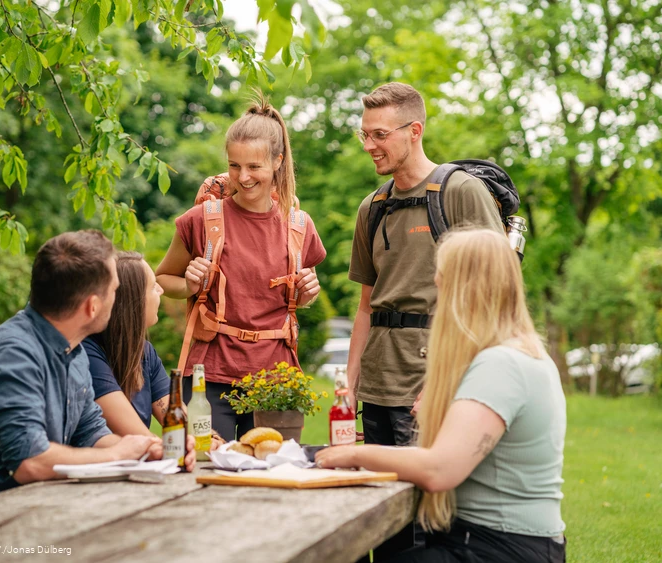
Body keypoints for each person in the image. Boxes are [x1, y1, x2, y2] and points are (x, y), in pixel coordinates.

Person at [317, 228, 567, 563]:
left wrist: (348, 455)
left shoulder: (502, 364)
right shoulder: (516, 353)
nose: (436, 297)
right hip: (495, 542)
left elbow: (439, 470)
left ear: (465, 291)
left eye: (442, 284)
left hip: (498, 547)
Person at [346, 82, 505, 556]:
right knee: (380, 522)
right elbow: (366, 305)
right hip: (378, 385)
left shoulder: (461, 192)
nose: (369, 145)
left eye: (379, 135)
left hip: (432, 384)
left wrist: (448, 381)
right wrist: (349, 382)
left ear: (414, 131)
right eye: (364, 134)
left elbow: (493, 296)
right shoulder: (372, 207)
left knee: (429, 526)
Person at [0, 230, 167, 510]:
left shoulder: (74, 351)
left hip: (29, 509)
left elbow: (91, 433)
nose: (119, 300)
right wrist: (117, 455)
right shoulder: (13, 353)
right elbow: (30, 461)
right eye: (114, 290)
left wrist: (146, 451)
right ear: (92, 306)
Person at [156, 93, 327, 442]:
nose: (243, 177)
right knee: (205, 465)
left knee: (272, 469)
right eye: (234, 166)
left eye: (254, 167)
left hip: (275, 378)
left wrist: (308, 293)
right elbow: (162, 278)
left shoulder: (299, 226)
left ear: (278, 161)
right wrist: (188, 285)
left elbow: (298, 297)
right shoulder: (202, 220)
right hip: (209, 374)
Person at [82, 251, 224, 449]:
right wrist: (193, 443)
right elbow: (137, 435)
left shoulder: (144, 352)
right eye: (152, 286)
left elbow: (177, 419)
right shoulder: (88, 353)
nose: (161, 290)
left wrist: (210, 439)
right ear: (131, 300)